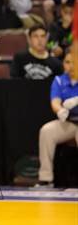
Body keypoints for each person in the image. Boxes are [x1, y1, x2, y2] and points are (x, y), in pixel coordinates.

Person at [37, 49, 77, 187]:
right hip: (70, 122)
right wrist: (60, 110)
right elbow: (55, 101)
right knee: (46, 131)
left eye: (74, 62)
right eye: (67, 62)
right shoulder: (59, 80)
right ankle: (45, 178)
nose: (71, 66)